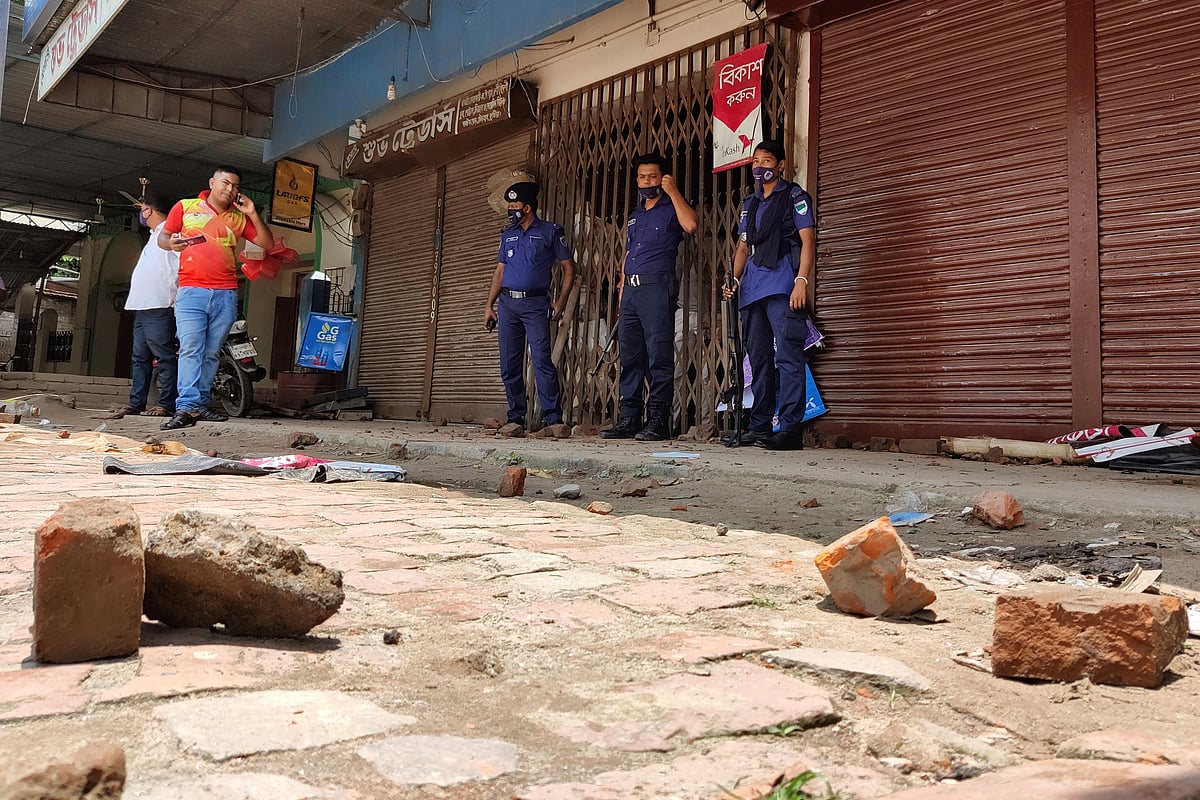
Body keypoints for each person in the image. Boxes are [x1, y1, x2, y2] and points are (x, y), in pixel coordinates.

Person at [158, 166, 274, 430]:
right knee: (191, 348)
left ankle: (199, 405)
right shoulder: (186, 207)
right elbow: (163, 237)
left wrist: (252, 213)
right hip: (191, 291)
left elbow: (267, 244)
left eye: (235, 186)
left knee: (211, 353)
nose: (230, 189)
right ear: (212, 182)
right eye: (225, 183)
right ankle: (186, 406)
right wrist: (170, 243)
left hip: (225, 293)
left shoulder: (239, 218)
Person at [724, 140, 816, 451]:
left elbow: (808, 241)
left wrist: (801, 281)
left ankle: (789, 429)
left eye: (766, 161)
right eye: (756, 161)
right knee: (759, 359)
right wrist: (734, 280)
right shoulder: (750, 203)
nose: (760, 166)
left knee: (788, 356)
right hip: (752, 290)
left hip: (782, 285)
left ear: (780, 166)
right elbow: (742, 248)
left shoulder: (794, 197)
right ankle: (760, 425)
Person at [602, 153, 698, 441]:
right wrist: (621, 288)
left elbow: (691, 225)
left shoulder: (671, 208)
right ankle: (629, 418)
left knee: (658, 356)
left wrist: (673, 191)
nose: (646, 182)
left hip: (656, 288)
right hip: (630, 291)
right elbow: (628, 253)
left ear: (663, 178)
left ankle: (658, 420)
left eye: (652, 177)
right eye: (642, 177)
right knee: (630, 356)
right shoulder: (635, 215)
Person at [484, 182, 575, 437]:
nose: (510, 211)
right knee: (509, 363)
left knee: (542, 361)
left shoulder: (550, 232)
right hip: (508, 305)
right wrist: (489, 305)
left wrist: (561, 302)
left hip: (536, 305)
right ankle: (516, 417)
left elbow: (569, 268)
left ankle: (553, 418)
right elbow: (499, 272)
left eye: (514, 206)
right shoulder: (507, 235)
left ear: (527, 208)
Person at [114, 193, 179, 419]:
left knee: (164, 356)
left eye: (142, 208)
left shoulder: (171, 233)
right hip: (142, 305)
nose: (141, 214)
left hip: (160, 304)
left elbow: (180, 266)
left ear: (149, 210)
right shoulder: (154, 236)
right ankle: (136, 402)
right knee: (139, 357)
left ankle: (166, 404)